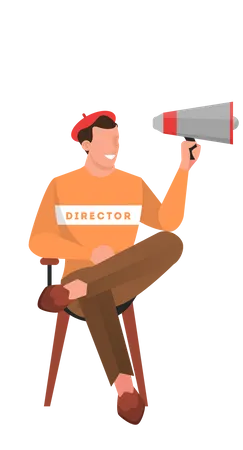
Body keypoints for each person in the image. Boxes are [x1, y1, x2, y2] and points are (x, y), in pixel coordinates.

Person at [28, 108, 203, 426]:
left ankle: (81, 284)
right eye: (108, 140)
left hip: (116, 278)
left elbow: (167, 224)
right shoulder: (61, 185)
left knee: (173, 243)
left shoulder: (134, 183)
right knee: (97, 293)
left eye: (119, 140)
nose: (116, 147)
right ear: (84, 145)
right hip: (81, 287)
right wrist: (88, 252)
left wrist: (183, 170)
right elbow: (37, 240)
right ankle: (123, 383)